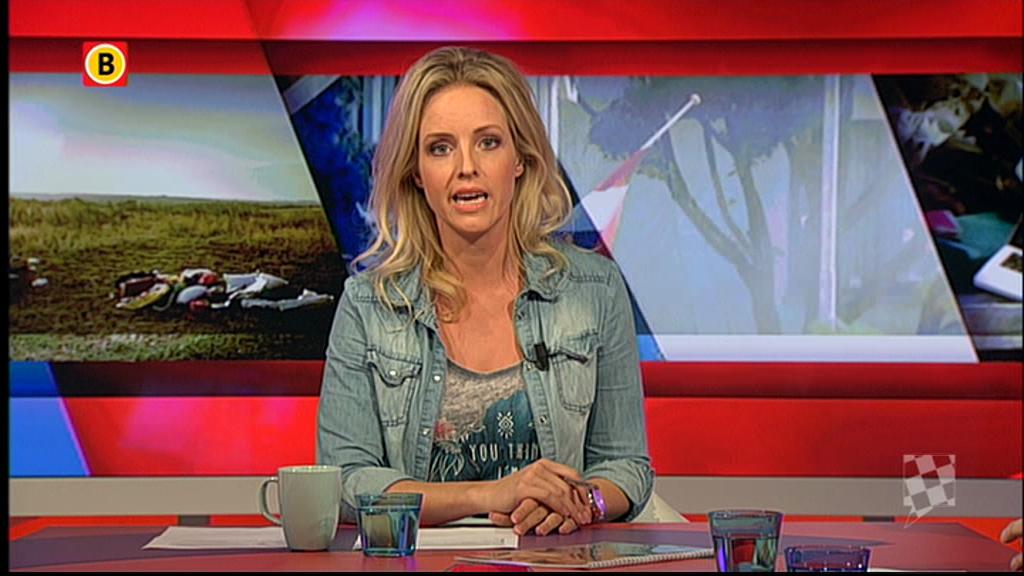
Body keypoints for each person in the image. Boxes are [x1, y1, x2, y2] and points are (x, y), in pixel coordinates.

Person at [317, 46, 653, 536]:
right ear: (416, 172)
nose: (466, 167)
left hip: (555, 561)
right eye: (440, 148)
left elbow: (625, 466)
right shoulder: (369, 305)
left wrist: (581, 503)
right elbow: (347, 481)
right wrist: (490, 495)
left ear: (520, 159)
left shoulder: (594, 290)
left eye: (488, 142)